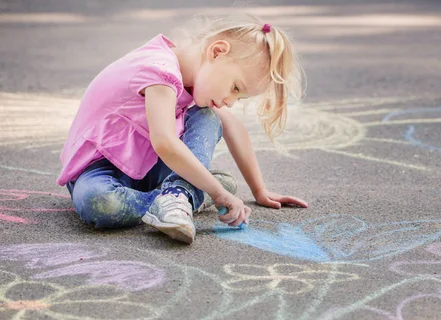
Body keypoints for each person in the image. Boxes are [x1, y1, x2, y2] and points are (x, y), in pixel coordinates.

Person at [57, 13, 308, 244]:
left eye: (240, 98)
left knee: (209, 116)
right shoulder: (160, 70)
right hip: (99, 172)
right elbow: (165, 142)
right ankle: (183, 196)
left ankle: (179, 193)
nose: (231, 100)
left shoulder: (194, 82)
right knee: (99, 203)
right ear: (217, 51)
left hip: (146, 169)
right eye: (235, 87)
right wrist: (218, 193)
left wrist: (259, 190)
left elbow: (234, 128)